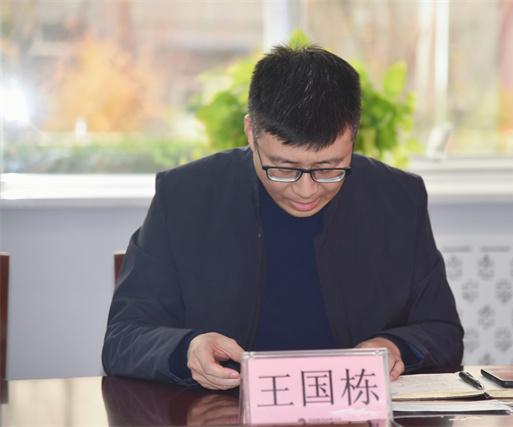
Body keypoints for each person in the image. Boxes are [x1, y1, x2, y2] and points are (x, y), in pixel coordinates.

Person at [102, 42, 464, 391]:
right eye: (284, 168)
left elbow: (442, 330)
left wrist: (394, 347)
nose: (306, 190)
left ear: (353, 138)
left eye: (329, 168)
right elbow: (124, 337)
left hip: (352, 408)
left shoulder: (398, 198)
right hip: (224, 409)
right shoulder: (185, 196)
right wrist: (188, 349)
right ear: (251, 133)